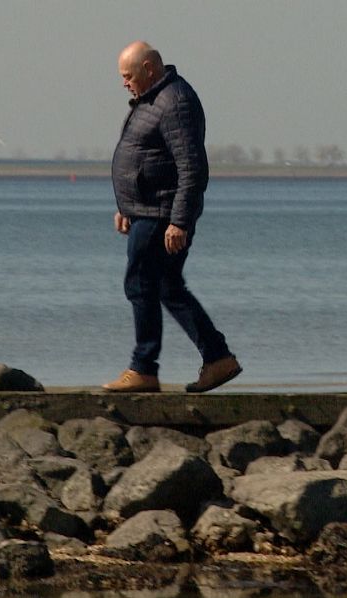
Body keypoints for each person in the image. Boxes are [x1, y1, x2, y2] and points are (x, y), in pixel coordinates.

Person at [103, 40, 241, 393]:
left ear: (149, 69)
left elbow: (192, 168)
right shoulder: (152, 99)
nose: (123, 83)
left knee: (140, 283)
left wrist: (179, 221)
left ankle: (144, 368)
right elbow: (145, 158)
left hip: (162, 215)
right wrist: (127, 208)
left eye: (127, 75)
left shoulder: (174, 102)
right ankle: (217, 358)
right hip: (146, 212)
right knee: (167, 286)